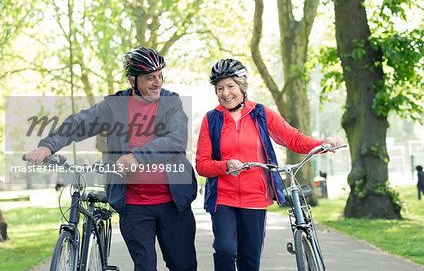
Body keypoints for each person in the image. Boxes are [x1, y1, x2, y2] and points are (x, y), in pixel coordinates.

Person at [25, 47, 197, 271]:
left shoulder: (171, 103)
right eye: (150, 78)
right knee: (144, 266)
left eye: (160, 76)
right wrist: (48, 145)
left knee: (183, 266)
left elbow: (175, 139)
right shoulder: (115, 106)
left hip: (172, 203)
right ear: (132, 80)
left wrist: (137, 157)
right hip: (135, 206)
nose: (158, 82)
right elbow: (81, 122)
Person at [195, 58, 342, 270]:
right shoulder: (211, 120)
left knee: (250, 259)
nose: (225, 93)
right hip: (223, 198)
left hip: (255, 197)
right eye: (219, 88)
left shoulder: (260, 114)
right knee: (225, 250)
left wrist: (321, 143)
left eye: (230, 86)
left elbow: (292, 138)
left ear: (242, 86)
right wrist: (225, 166)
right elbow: (202, 164)